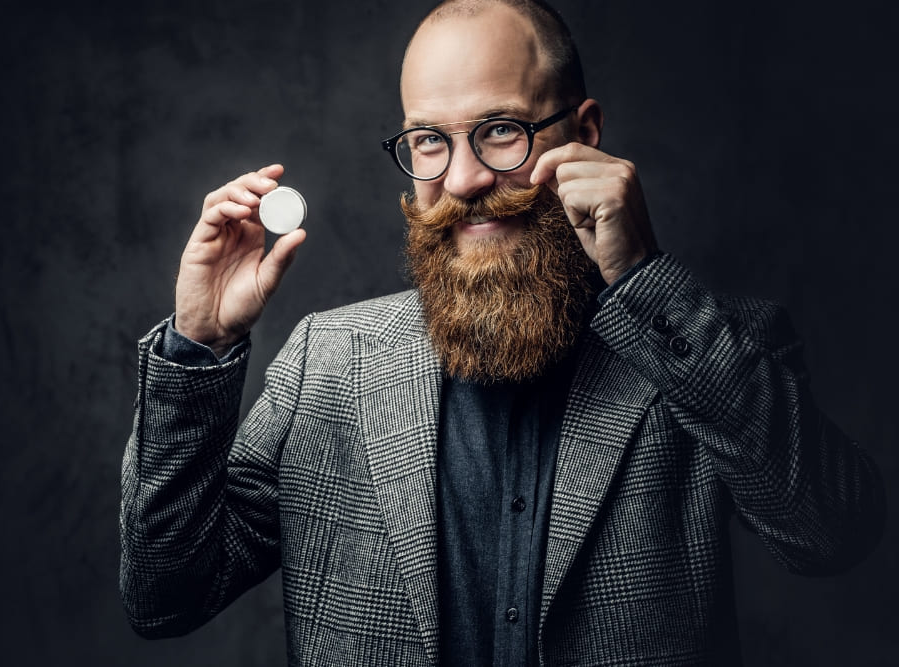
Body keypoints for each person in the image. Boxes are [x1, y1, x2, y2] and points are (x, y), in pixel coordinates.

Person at [119, 1, 885, 664]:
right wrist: (199, 343)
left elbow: (832, 532)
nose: (462, 180)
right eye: (429, 140)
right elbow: (165, 596)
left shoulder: (714, 346)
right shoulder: (327, 362)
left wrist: (646, 281)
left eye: (500, 130)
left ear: (584, 131)